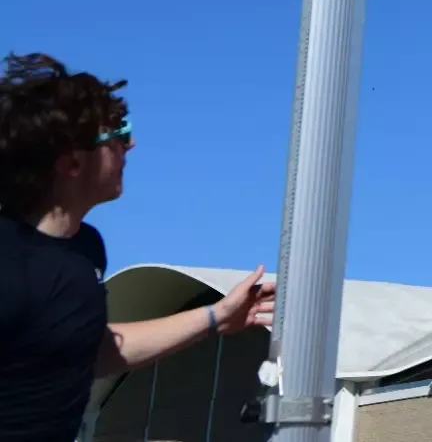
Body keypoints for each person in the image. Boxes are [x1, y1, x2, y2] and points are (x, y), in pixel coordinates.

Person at [0, 52, 274, 442]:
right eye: (118, 133)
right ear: (72, 164)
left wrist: (217, 316)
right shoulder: (8, 258)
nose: (130, 144)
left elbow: (90, 351)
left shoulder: (85, 248)